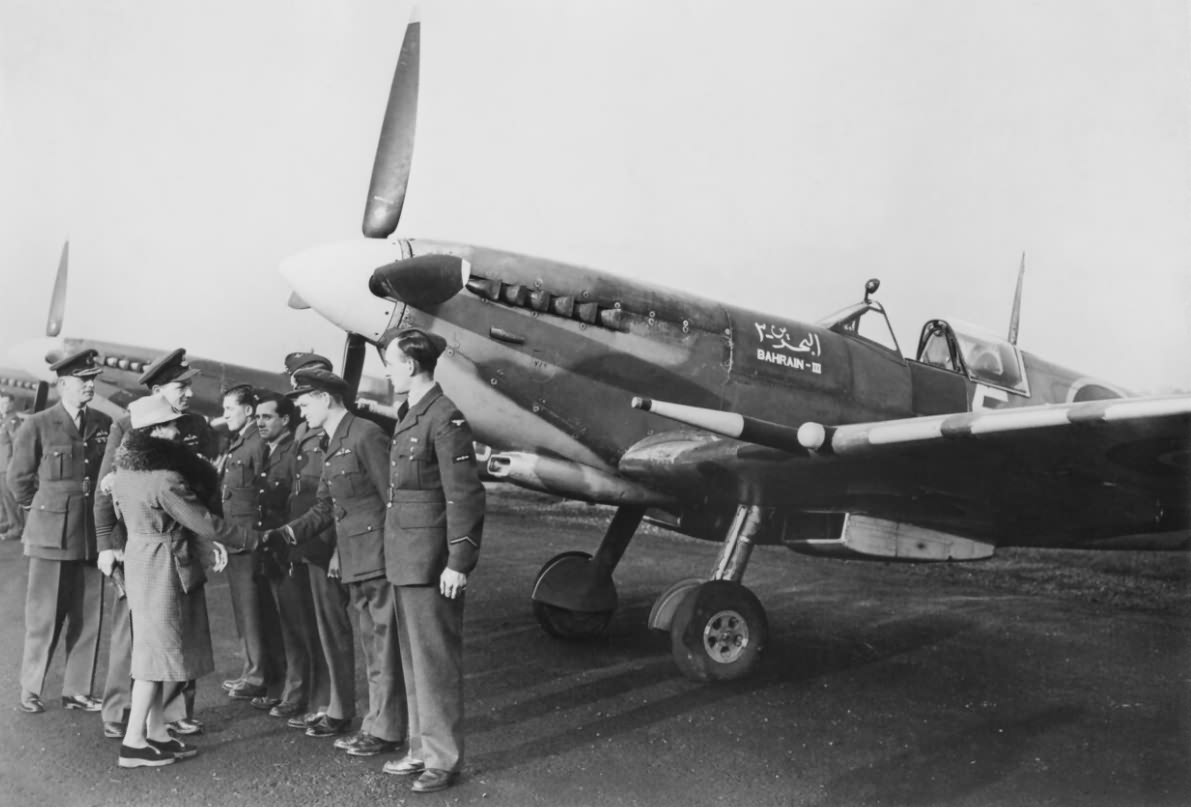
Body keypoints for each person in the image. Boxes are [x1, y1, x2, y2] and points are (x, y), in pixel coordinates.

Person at [107, 395, 258, 768]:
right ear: (155, 432)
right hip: (163, 564)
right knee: (154, 656)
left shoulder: (124, 474)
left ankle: (156, 732)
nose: (178, 431)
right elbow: (204, 521)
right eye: (171, 425)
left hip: (142, 559)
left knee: (157, 652)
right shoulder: (165, 479)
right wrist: (252, 539)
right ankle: (133, 743)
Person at [273, 368, 406, 758]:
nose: (301, 411)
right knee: (372, 645)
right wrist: (287, 534)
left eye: (305, 402)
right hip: (355, 560)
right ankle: (377, 723)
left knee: (383, 648)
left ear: (326, 398)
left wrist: (388, 556)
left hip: (377, 560)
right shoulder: (335, 441)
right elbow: (326, 507)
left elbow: (391, 501)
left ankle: (386, 730)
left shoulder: (365, 435)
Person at [377, 328, 485, 794]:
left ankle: (443, 758)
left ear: (412, 365)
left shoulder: (444, 417)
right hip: (405, 557)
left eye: (391, 361)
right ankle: (421, 749)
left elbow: (465, 495)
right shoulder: (411, 414)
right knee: (413, 660)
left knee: (435, 662)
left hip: (430, 560)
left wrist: (459, 561)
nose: (386, 369)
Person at [95, 348, 216, 739]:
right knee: (135, 631)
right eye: (181, 387)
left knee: (181, 628)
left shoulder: (195, 424)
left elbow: (206, 485)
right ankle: (119, 709)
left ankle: (172, 713)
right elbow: (106, 489)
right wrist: (106, 544)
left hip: (181, 534)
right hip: (141, 538)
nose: (188, 395)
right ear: (159, 389)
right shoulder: (129, 424)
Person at [8, 349, 112, 714]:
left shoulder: (101, 422)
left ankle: (77, 690)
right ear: (64, 384)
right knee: (44, 618)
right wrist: (42, 510)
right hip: (50, 533)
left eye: (93, 380)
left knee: (88, 615)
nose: (90, 386)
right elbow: (18, 480)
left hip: (90, 532)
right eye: (84, 380)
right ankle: (31, 689)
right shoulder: (37, 424)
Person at [279, 352, 357, 739]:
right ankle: (320, 699)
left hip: (328, 544)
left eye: (303, 389)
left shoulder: (337, 432)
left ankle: (334, 704)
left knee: (332, 628)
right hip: (309, 541)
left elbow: (346, 499)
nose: (297, 397)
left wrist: (340, 551)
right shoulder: (303, 431)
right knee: (313, 627)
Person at [253, 390, 321, 720]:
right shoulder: (271, 450)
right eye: (257, 417)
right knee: (282, 624)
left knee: (299, 625)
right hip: (274, 547)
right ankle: (289, 688)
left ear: (285, 420)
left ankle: (301, 693)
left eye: (266, 417)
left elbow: (300, 501)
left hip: (291, 544)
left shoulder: (293, 450)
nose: (259, 422)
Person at [217, 384, 285, 704]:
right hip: (235, 538)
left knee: (252, 610)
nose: (224, 415)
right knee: (244, 611)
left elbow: (265, 494)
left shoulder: (257, 443)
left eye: (229, 409)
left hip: (248, 539)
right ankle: (251, 669)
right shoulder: (242, 441)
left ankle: (258, 675)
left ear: (247, 410)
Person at [0, 392, 25, 541]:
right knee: (2, 499)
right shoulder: (2, 420)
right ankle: (4, 523)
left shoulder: (13, 421)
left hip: (7, 467)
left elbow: (19, 445)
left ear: (11, 404)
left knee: (10, 499)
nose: (2, 406)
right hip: (0, 466)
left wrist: (15, 466)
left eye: (5, 403)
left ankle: (16, 528)